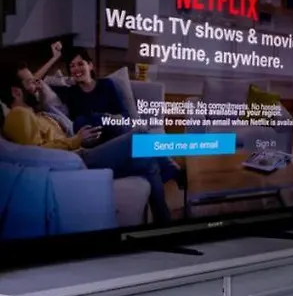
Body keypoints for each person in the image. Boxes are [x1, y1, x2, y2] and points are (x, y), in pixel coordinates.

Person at [1, 67, 173, 224]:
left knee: (147, 162)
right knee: (140, 136)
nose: (37, 86)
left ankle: (163, 223)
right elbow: (36, 154)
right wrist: (75, 140)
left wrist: (79, 139)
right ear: (16, 92)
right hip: (75, 161)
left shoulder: (36, 113)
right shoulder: (18, 115)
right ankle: (172, 169)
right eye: (31, 82)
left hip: (81, 153)